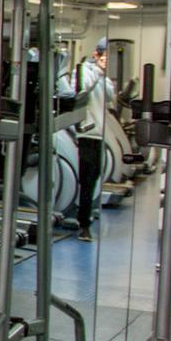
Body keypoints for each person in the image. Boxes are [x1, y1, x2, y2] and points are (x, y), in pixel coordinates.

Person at [71, 39, 114, 240]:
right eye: (104, 55)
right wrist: (97, 71)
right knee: (87, 181)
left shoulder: (103, 75)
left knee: (95, 177)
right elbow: (80, 91)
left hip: (99, 134)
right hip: (86, 132)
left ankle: (86, 214)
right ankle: (83, 224)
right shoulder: (82, 70)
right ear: (96, 54)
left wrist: (104, 75)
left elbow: (110, 96)